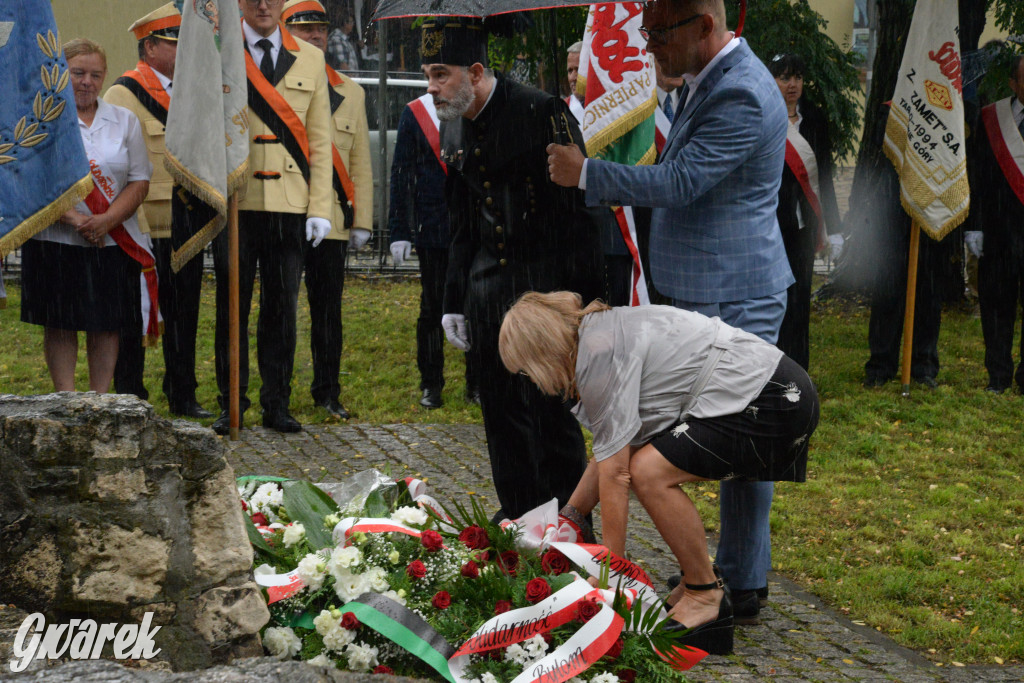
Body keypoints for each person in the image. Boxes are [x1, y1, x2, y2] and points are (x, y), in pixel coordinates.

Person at [547, 0, 793, 624]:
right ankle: (720, 570)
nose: (648, 44)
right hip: (709, 287)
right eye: (646, 30)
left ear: (705, 26)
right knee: (699, 441)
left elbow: (682, 182)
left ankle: (737, 580)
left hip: (735, 291)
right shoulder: (707, 79)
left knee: (739, 445)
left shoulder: (739, 92)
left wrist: (587, 174)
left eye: (659, 32)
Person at [499, 291, 819, 654]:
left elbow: (616, 475)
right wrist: (571, 517)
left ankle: (704, 595)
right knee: (643, 464)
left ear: (542, 353)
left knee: (649, 472)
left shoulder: (597, 357)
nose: (531, 379)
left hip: (774, 402)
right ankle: (699, 583)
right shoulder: (597, 335)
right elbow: (612, 448)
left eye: (526, 369)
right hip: (777, 389)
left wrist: (607, 577)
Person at [423, 18, 605, 520]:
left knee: (552, 416)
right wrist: (453, 301)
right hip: (487, 298)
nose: (432, 88)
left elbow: (582, 217)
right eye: (428, 75)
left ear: (476, 72)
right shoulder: (452, 120)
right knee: (500, 418)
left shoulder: (541, 111)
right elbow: (461, 222)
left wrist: (587, 303)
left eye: (441, 74)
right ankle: (522, 518)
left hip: (546, 297)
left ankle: (571, 529)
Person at [211, 0, 333, 435]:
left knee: (282, 310)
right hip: (235, 203)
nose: (263, 5)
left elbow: (319, 140)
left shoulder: (311, 57)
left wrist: (320, 207)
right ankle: (232, 403)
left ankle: (276, 403)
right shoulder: (219, 49)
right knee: (232, 308)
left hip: (289, 204)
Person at [20, 38, 152, 394]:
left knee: (105, 323)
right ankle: (65, 398)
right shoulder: (41, 120)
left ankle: (99, 399)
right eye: (77, 72)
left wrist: (106, 220)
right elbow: (32, 178)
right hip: (56, 239)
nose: (86, 82)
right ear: (60, 73)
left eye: (95, 74)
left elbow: (140, 180)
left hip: (111, 239)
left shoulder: (123, 120)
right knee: (60, 322)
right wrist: (77, 220)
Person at [105, 4, 212, 419]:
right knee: (136, 314)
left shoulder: (194, 89)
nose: (185, 51)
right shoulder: (123, 93)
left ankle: (183, 392)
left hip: (188, 219)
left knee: (184, 314)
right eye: (175, 43)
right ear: (149, 47)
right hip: (141, 222)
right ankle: (130, 392)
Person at [283, 0, 373, 420]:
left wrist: (362, 221)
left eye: (320, 29)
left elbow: (360, 163)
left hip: (332, 218)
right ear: (285, 33)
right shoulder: (273, 85)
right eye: (304, 30)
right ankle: (276, 392)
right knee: (279, 308)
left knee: (327, 312)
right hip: (283, 212)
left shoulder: (351, 91)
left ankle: (327, 390)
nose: (315, 36)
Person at [388, 93, 480, 409]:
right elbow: (401, 172)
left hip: (472, 226)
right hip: (434, 228)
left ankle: (477, 383)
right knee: (432, 309)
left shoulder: (474, 104)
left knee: (476, 305)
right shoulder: (414, 112)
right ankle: (431, 384)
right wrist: (399, 230)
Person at [860, 101, 955, 390]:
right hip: (893, 206)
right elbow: (880, 143)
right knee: (888, 290)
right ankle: (881, 365)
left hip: (932, 206)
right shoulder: (891, 106)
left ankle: (923, 365)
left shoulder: (949, 109)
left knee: (928, 291)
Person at [768, 53, 842, 371]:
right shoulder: (763, 117)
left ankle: (798, 372)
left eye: (797, 77)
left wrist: (835, 228)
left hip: (804, 224)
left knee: (799, 297)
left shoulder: (816, 119)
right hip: (768, 224)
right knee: (772, 299)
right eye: (785, 77)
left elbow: (824, 175)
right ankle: (769, 368)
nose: (792, 84)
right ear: (772, 80)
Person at [965, 54, 1024, 394]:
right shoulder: (992, 119)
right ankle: (998, 376)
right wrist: (975, 225)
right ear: (1013, 84)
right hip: (999, 231)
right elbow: (978, 174)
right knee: (997, 307)